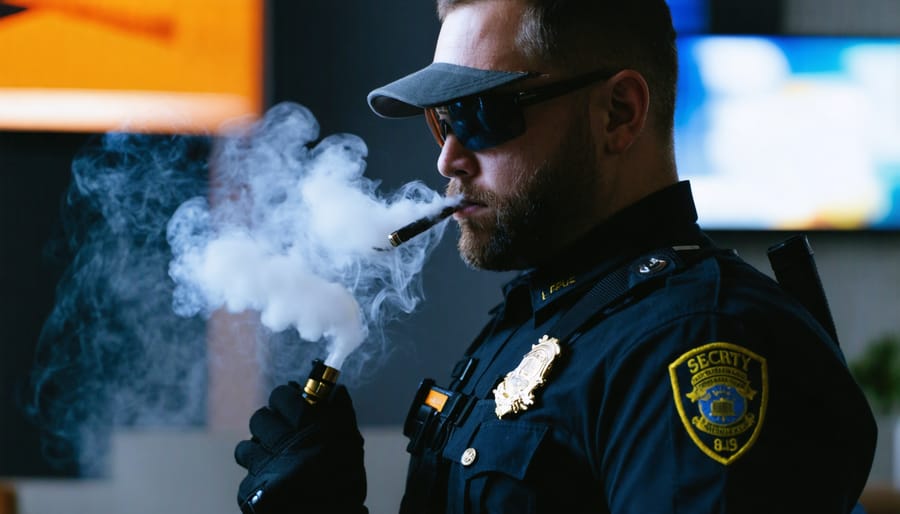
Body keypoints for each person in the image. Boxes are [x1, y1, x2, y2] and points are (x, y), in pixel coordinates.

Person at [234, 1, 878, 513]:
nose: (447, 159)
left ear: (618, 114)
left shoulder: (696, 340)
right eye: (441, 120)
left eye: (481, 112)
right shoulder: (543, 317)